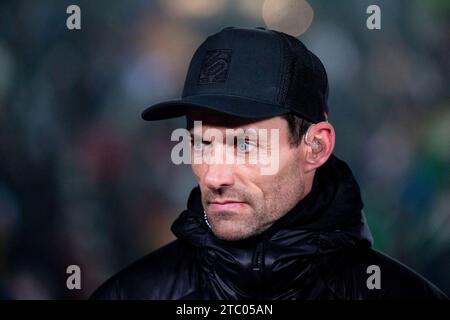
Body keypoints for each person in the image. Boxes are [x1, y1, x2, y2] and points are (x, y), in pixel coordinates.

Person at [91, 27, 447, 300]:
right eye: (200, 144)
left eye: (245, 144)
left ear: (316, 147)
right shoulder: (131, 293)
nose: (214, 176)